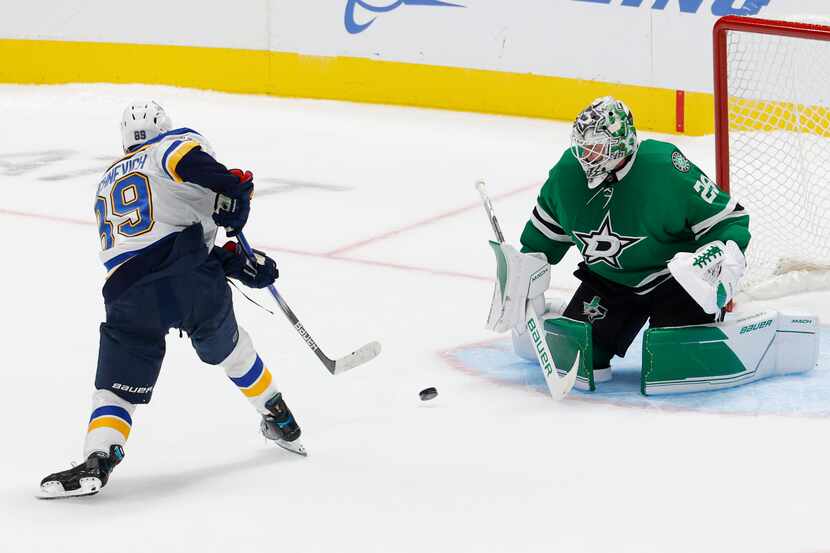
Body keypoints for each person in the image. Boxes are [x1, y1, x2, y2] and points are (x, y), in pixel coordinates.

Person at [39, 101, 304, 498]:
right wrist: (234, 191)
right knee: (233, 351)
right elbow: (200, 171)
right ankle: (278, 414)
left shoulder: (107, 181)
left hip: (129, 292)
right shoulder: (169, 147)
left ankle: (98, 459)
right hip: (191, 281)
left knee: (116, 391)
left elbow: (154, 243)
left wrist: (232, 260)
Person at [486, 96, 817, 395]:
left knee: (675, 361)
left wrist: (719, 257)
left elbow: (727, 220)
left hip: (675, 280)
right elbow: (542, 240)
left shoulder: (664, 166)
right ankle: (565, 315)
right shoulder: (567, 174)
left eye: (598, 147)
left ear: (622, 142)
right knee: (582, 359)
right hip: (610, 281)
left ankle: (737, 322)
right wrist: (522, 276)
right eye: (583, 146)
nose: (588, 156)